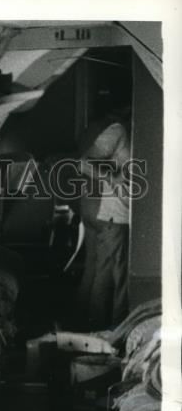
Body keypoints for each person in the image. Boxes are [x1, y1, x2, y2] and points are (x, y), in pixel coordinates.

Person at [75, 102, 132, 331]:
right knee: (110, 280)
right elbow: (84, 164)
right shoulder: (118, 131)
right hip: (114, 216)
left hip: (126, 215)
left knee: (109, 277)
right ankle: (101, 333)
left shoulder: (138, 131)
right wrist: (112, 179)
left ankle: (100, 332)